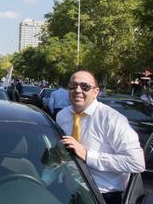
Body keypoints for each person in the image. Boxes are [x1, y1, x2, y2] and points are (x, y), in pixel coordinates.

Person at [56, 70, 145, 204]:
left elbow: (136, 163)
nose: (78, 90)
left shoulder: (112, 119)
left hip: (103, 196)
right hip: (68, 191)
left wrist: (87, 155)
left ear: (95, 92)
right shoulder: (62, 116)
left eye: (85, 86)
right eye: (73, 86)